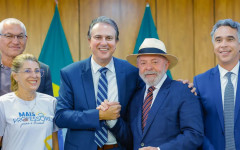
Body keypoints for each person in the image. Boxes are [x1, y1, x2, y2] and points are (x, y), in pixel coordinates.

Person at [54, 16, 139, 150]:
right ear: (89, 41)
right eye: (98, 37)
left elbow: (152, 92)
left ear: (116, 42)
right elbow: (61, 116)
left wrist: (179, 85)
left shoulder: (132, 72)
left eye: (109, 38)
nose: (103, 43)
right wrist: (99, 115)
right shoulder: (70, 73)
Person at [126, 38, 204, 150]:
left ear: (166, 65)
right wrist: (113, 121)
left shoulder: (183, 91)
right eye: (143, 63)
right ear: (138, 66)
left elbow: (194, 135)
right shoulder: (135, 96)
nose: (148, 67)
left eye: (155, 62)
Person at [194, 19, 240, 150]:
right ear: (214, 45)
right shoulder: (200, 82)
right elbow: (197, 127)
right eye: (218, 40)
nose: (223, 45)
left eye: (230, 39)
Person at [0, 53, 58, 150]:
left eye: (37, 71)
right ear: (15, 76)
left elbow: (55, 141)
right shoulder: (3, 103)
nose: (34, 75)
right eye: (27, 71)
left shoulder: (51, 102)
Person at [0, 18, 53, 96]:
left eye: (20, 37)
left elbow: (47, 105)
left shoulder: (42, 70)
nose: (15, 42)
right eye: (9, 36)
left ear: (26, 39)